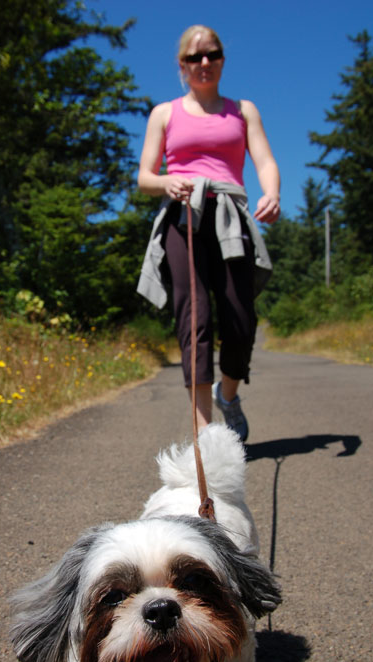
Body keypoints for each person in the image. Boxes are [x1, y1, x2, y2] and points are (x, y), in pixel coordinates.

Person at [137, 24, 280, 441]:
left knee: (240, 318)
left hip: (231, 215)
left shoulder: (243, 110)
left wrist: (270, 192)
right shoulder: (165, 113)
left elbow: (265, 161)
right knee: (193, 318)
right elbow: (144, 177)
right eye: (195, 57)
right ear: (182, 65)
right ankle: (205, 436)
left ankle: (228, 395)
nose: (205, 63)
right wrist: (167, 183)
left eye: (212, 54)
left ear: (222, 59)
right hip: (184, 218)